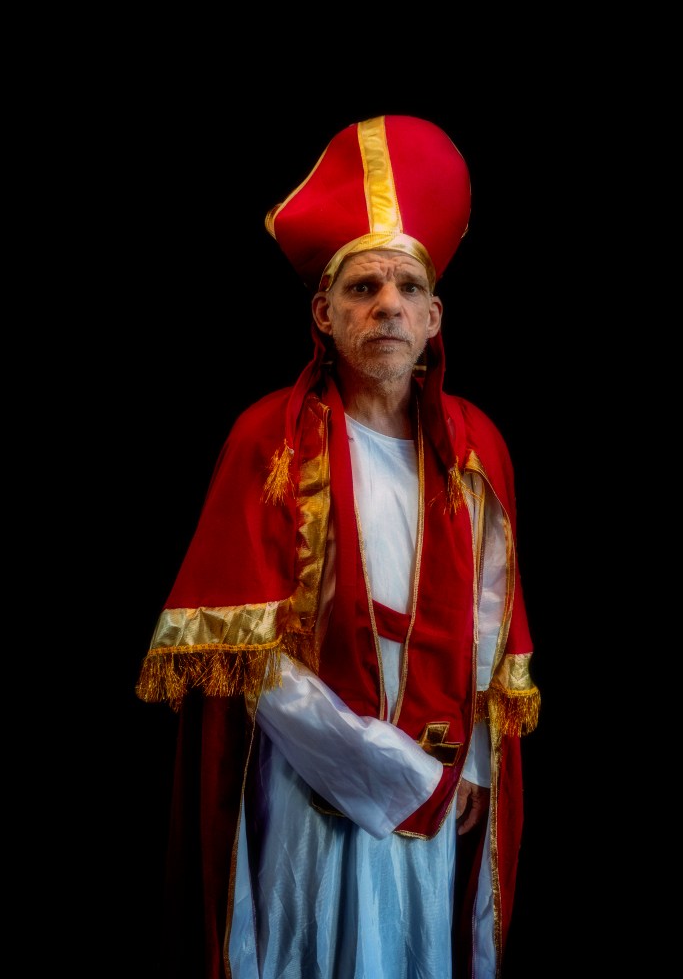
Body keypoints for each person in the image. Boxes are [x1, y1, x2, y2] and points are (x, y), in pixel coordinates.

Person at [136, 113, 540, 979]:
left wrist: (465, 765)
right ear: (323, 313)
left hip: (436, 774)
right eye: (362, 288)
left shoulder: (474, 450)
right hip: (306, 775)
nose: (386, 304)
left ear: (433, 318)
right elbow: (245, 657)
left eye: (406, 288)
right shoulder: (271, 441)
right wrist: (366, 761)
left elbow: (489, 628)